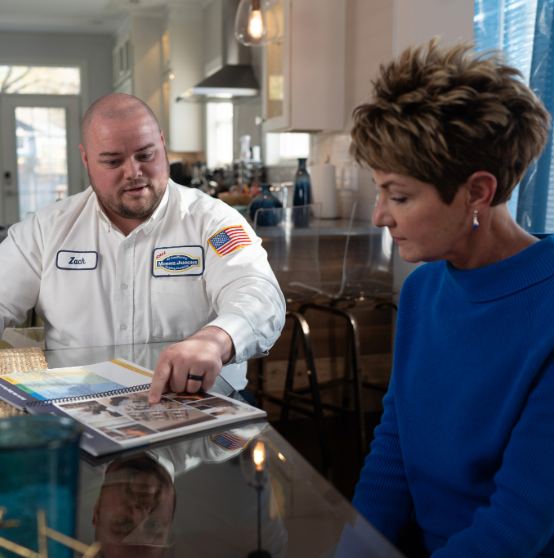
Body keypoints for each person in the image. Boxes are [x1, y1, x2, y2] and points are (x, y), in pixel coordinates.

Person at [349, 39, 554, 557]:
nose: (380, 216)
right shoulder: (423, 289)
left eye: (398, 196)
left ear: (478, 192)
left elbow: (515, 529)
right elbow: (395, 445)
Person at [0, 93, 285, 403]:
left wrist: (216, 339)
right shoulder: (45, 231)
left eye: (146, 155)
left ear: (161, 144)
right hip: (80, 413)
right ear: (85, 159)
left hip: (200, 408)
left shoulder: (212, 222)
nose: (133, 172)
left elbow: (259, 295)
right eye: (112, 161)